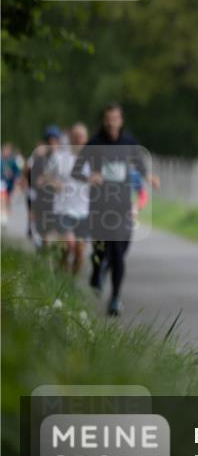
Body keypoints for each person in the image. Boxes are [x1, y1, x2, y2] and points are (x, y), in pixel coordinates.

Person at [72, 103, 158, 316]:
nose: (112, 123)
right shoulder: (94, 143)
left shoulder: (129, 142)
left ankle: (116, 297)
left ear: (121, 121)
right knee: (101, 250)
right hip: (100, 207)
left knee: (120, 251)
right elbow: (76, 171)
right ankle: (96, 273)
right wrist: (89, 177)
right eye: (108, 119)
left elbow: (139, 164)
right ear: (104, 120)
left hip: (121, 206)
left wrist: (148, 177)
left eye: (115, 119)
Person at [41, 123, 91, 275]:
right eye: (75, 136)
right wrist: (54, 184)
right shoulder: (59, 157)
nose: (78, 139)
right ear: (70, 137)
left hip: (84, 211)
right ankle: (60, 275)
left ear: (86, 139)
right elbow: (45, 177)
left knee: (80, 252)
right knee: (69, 245)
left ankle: (70, 283)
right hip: (63, 210)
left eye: (81, 136)